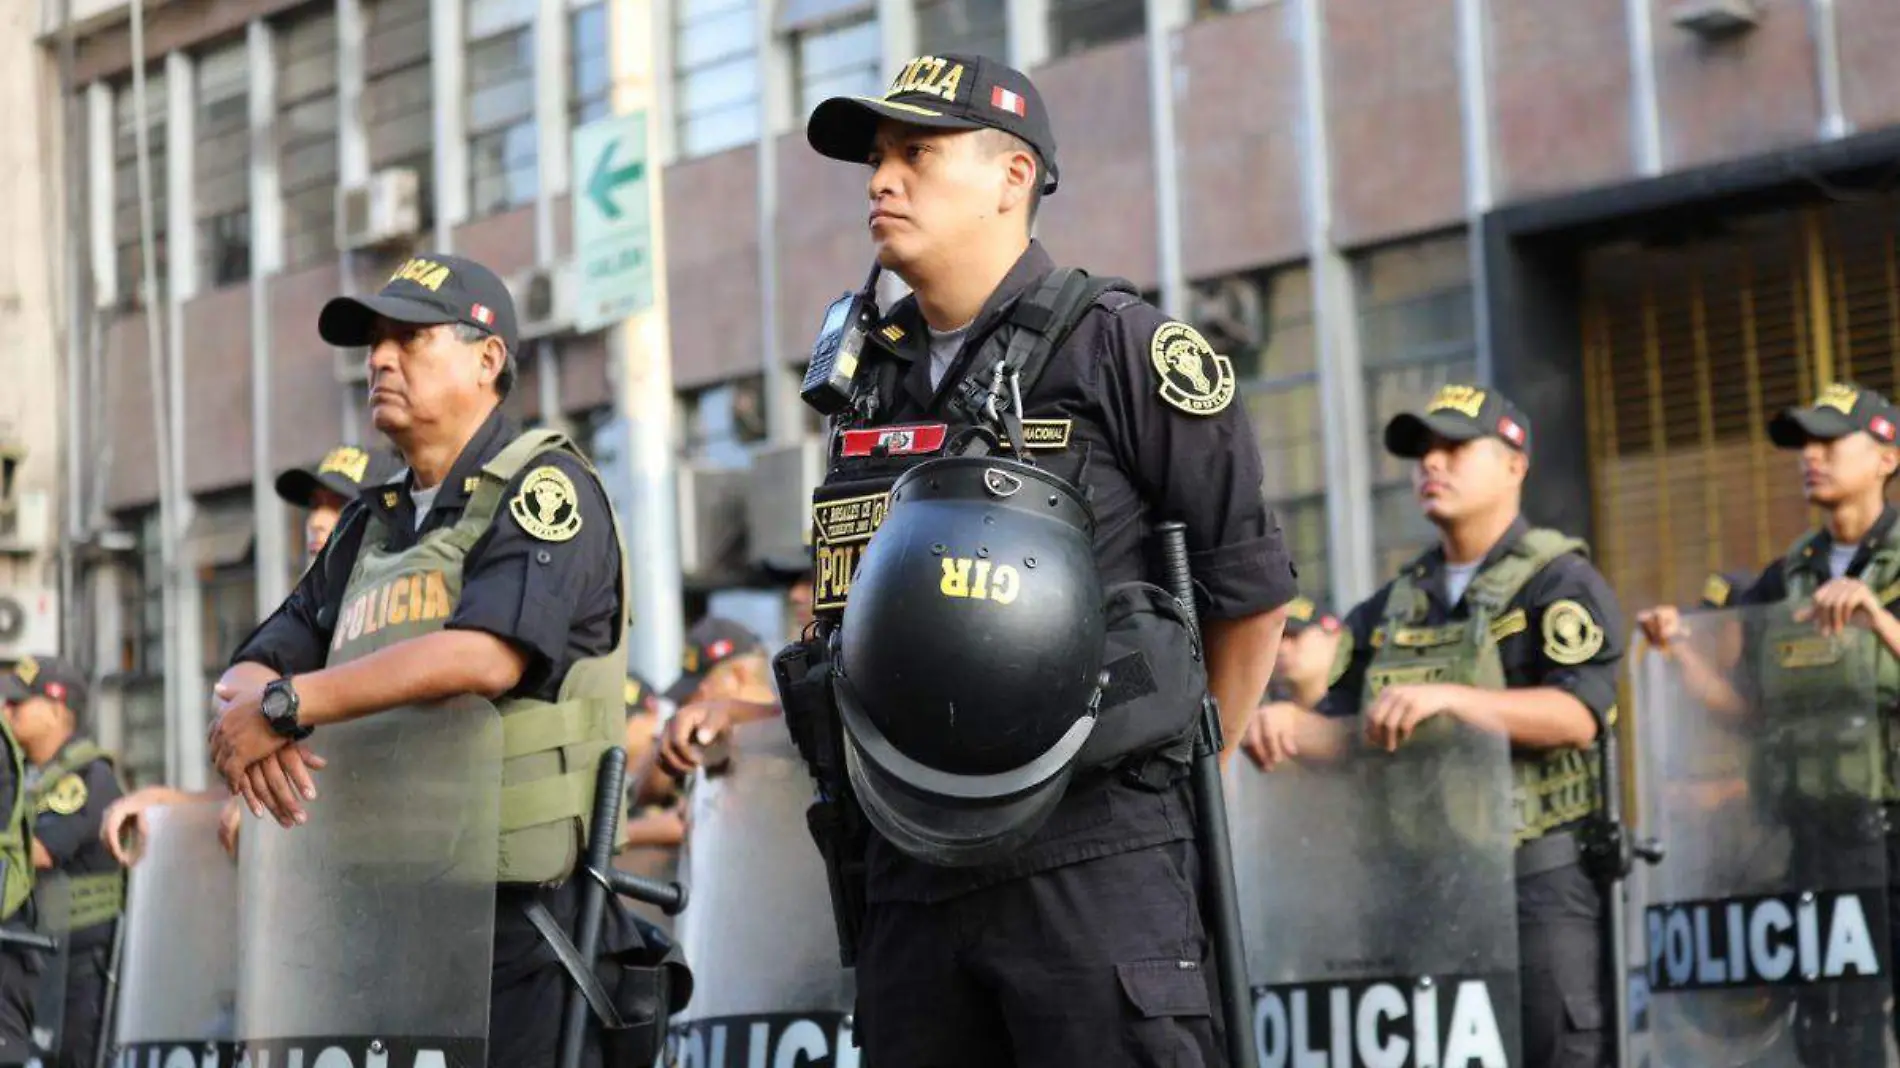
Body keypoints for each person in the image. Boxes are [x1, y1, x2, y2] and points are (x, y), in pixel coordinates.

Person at [773, 53, 1296, 1064]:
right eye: (877, 158)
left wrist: (1181, 783)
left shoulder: (1125, 350)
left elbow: (1249, 594)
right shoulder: (863, 380)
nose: (882, 179)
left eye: (916, 154)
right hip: (904, 864)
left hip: (1092, 851)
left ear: (1012, 176)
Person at [204, 253, 653, 1067]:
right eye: (376, 342)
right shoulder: (369, 522)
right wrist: (250, 707)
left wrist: (285, 709)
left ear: (487, 359)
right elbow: (258, 658)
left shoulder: (544, 487)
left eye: (409, 339)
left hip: (512, 929)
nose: (379, 359)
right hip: (373, 925)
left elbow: (485, 656)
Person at [1317, 385, 1625, 1067]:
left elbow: (1578, 715)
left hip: (1535, 881)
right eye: (1422, 452)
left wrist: (1451, 701)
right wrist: (1268, 722)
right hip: (1422, 886)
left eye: (1454, 448)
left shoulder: (1561, 583)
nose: (1432, 464)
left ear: (1515, 464)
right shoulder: (1395, 603)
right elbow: (1335, 726)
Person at [1637, 382, 1900, 1064]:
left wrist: (1876, 618)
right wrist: (1677, 651)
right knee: (1834, 1032)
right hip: (1815, 838)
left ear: (1885, 455)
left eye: (1829, 441)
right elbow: (1749, 709)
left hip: (1894, 828)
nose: (1810, 456)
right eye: (1802, 445)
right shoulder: (1789, 576)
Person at [101, 444, 396, 865]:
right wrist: (170, 803)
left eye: (340, 506)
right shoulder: (309, 620)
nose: (317, 521)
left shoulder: (396, 617)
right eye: (314, 506)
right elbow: (270, 776)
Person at [0, 655, 124, 1068]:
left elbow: (36, 852)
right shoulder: (32, 778)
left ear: (56, 710)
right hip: (43, 959)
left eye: (18, 704)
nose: (6, 710)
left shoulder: (84, 777)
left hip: (81, 966)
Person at [637, 618, 776, 807]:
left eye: (701, 688)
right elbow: (648, 791)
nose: (691, 702)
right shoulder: (718, 741)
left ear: (737, 676)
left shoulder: (790, 735)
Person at [1238, 596, 1349, 771]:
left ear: (1334, 635)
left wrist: (1298, 725)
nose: (1282, 648)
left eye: (1294, 635)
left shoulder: (1361, 698)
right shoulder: (1259, 706)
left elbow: (1361, 741)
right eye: (1276, 639)